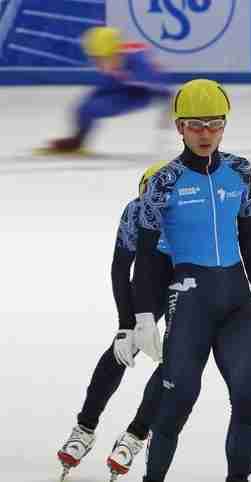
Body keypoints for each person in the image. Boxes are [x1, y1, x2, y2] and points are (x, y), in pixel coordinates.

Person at [132, 79, 251, 482]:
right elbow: (145, 254)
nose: (206, 133)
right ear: (179, 127)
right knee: (178, 399)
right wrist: (143, 315)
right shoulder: (164, 181)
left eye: (215, 124)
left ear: (225, 125)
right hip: (190, 302)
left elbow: (249, 234)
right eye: (195, 125)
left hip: (237, 302)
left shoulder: (240, 171)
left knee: (249, 396)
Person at [57, 162, 173, 482]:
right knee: (122, 348)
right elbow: (121, 267)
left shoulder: (192, 215)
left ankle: (136, 435)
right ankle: (85, 428)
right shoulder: (134, 211)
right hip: (151, 279)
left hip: (188, 280)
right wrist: (125, 325)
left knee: (177, 361)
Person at [43, 27, 172, 155]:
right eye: (94, 59)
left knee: (91, 108)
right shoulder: (113, 59)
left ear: (116, 53)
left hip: (141, 93)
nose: (98, 64)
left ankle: (77, 142)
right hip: (120, 80)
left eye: (101, 59)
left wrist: (169, 115)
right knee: (83, 108)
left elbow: (169, 94)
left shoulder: (141, 69)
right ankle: (77, 140)